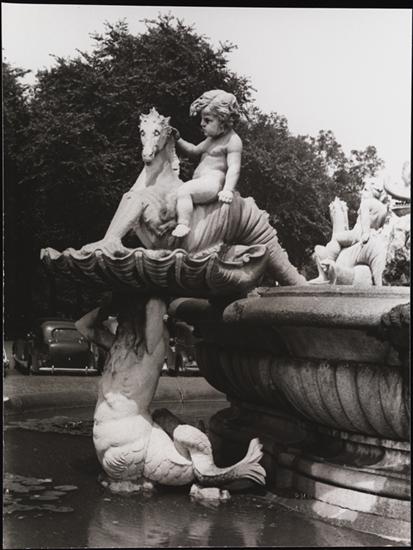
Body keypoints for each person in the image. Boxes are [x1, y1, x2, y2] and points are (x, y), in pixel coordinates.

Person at [170, 89, 243, 238]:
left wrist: (228, 190)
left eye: (208, 120)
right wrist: (178, 139)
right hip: (201, 181)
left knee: (184, 191)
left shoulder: (233, 140)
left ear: (223, 120)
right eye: (202, 119)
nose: (202, 124)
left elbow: (234, 167)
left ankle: (183, 224)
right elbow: (193, 150)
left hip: (213, 184)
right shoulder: (211, 139)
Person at [310, 178, 389, 283]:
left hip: (358, 233)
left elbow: (365, 218)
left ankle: (328, 263)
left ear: (371, 192)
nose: (362, 192)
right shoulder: (383, 209)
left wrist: (365, 233)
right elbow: (380, 225)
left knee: (336, 238)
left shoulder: (366, 202)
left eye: (365, 190)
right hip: (373, 233)